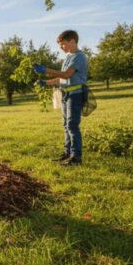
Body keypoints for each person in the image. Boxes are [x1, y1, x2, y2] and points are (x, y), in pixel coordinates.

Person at [33, 30, 88, 166]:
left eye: (63, 44)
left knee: (72, 125)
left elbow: (66, 75)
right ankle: (67, 153)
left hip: (75, 94)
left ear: (72, 41)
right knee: (66, 125)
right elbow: (61, 78)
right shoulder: (68, 56)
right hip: (66, 94)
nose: (61, 48)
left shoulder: (79, 57)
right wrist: (45, 82)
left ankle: (76, 158)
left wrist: (45, 70)